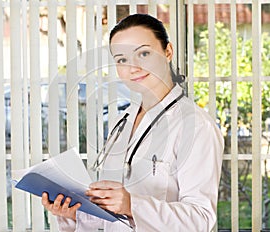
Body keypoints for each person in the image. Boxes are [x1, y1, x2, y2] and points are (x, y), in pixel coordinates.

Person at [42, 13, 224, 232]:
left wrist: (132, 205)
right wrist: (73, 216)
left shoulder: (195, 126)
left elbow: (200, 219)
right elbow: (111, 215)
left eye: (144, 53)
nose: (133, 67)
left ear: (168, 52)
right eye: (122, 59)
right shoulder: (122, 120)